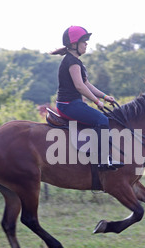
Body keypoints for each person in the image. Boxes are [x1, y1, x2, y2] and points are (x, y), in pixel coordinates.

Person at [51, 26, 123, 171]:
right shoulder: (72, 62)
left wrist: (104, 96)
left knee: (101, 119)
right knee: (102, 120)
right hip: (69, 105)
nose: (86, 44)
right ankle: (102, 160)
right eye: (84, 41)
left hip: (73, 104)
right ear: (73, 45)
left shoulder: (76, 62)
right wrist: (97, 102)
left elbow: (86, 84)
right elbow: (79, 86)